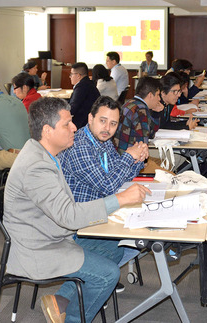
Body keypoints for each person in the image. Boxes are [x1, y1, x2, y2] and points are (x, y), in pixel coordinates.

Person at [3, 97, 149, 323]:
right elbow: (69, 216)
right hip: (38, 250)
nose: (74, 127)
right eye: (67, 124)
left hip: (53, 236)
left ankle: (62, 301)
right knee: (109, 274)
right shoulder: (36, 166)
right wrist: (119, 199)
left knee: (115, 249)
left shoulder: (46, 154)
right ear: (47, 131)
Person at [58, 96, 149, 292]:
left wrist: (137, 160)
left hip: (99, 214)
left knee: (141, 240)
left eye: (113, 123)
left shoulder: (103, 141)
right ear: (90, 118)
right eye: (102, 120)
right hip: (78, 226)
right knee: (127, 245)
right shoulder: (80, 146)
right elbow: (108, 185)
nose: (107, 127)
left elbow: (118, 175)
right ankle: (81, 288)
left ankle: (96, 281)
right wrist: (128, 157)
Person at [114, 76, 163, 155]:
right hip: (128, 160)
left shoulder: (130, 103)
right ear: (150, 95)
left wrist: (156, 114)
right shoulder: (141, 110)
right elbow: (143, 145)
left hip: (120, 155)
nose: (159, 99)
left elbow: (151, 134)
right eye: (157, 95)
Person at [69, 62, 101, 129]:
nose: (70, 77)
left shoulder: (81, 87)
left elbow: (72, 109)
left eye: (71, 74)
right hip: (91, 120)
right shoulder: (89, 83)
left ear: (78, 75)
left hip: (83, 123)